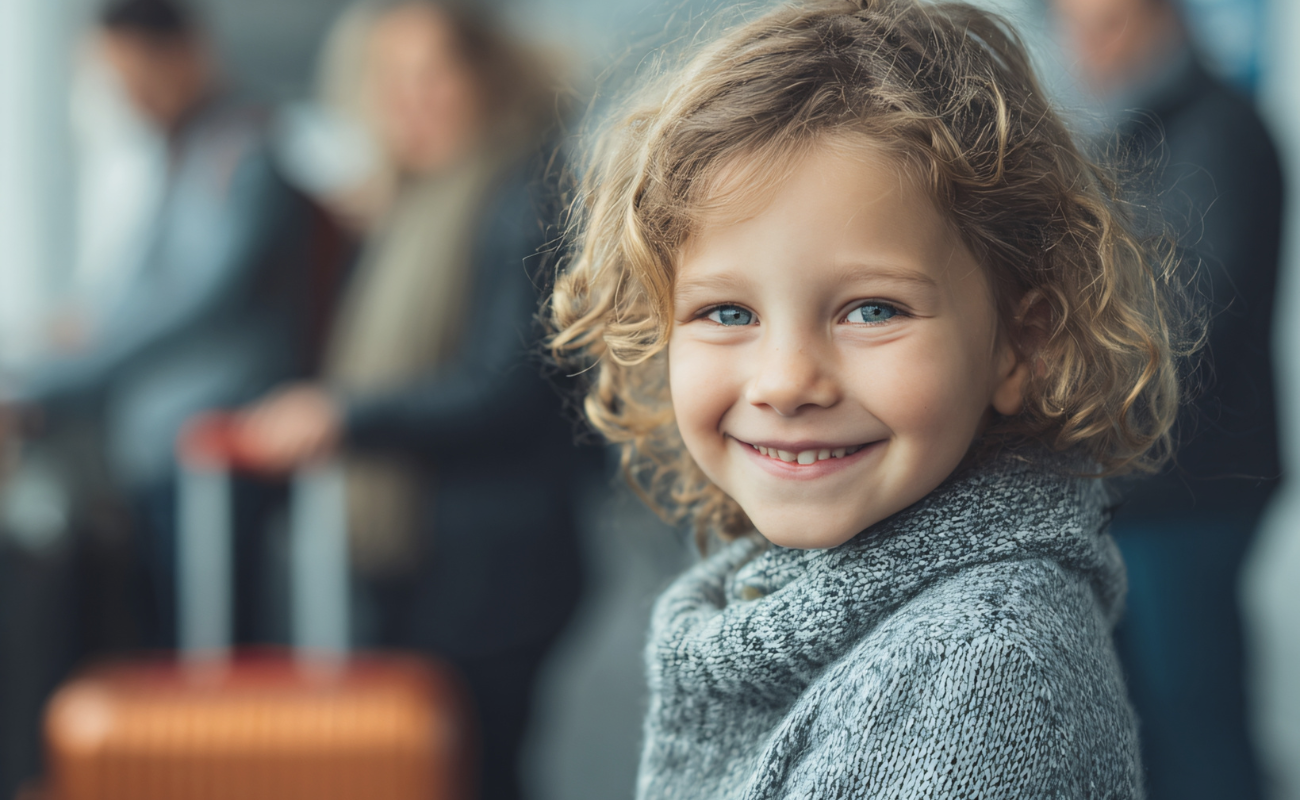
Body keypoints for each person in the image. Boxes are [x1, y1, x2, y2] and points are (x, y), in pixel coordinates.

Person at [549, 0, 1194, 795]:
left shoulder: (976, 678)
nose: (785, 381)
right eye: (727, 313)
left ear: (1021, 342)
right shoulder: (824, 591)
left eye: (872, 310)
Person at [236, 4, 585, 799]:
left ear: (483, 76)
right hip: (428, 554)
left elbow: (508, 388)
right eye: (390, 81)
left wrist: (345, 417)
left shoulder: (525, 196)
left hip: (496, 563)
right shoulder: (411, 199)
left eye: (433, 76)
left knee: (476, 771)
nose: (409, 102)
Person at [8, 0, 320, 647]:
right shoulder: (182, 154)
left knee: (211, 650)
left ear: (189, 54)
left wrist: (43, 385)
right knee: (166, 647)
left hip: (210, 446)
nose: (132, 99)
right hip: (158, 448)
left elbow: (187, 299)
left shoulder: (239, 152)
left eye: (138, 77)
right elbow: (135, 289)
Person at [1053, 2, 1283, 798]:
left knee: (1194, 732)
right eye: (1076, 27)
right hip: (1137, 487)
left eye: (1109, 23)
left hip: (1188, 488)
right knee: (1145, 732)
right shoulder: (1130, 130)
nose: (1088, 47)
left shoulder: (1216, 129)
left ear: (1169, 17)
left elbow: (1182, 320)